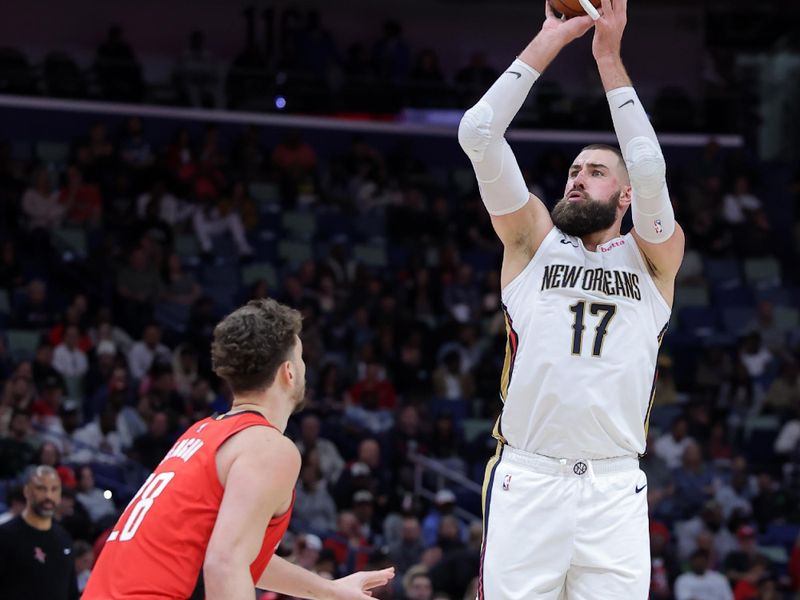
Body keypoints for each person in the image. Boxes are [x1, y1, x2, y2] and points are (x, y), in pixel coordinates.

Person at [457, 1, 685, 598]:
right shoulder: (533, 241)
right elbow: (478, 134)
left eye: (596, 172)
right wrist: (547, 40)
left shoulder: (655, 259)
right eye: (573, 169)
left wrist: (608, 58)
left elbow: (650, 163)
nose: (576, 177)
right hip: (528, 478)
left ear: (627, 195)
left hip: (614, 490)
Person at [83, 299, 393, 599]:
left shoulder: (204, 433)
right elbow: (225, 563)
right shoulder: (268, 447)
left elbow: (236, 555)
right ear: (289, 371)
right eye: (301, 358)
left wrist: (330, 591)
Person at [0, 465, 79, 600]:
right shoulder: (5, 535)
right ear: (27, 491)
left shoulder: (64, 538)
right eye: (41, 488)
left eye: (54, 489)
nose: (48, 496)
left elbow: (71, 592)